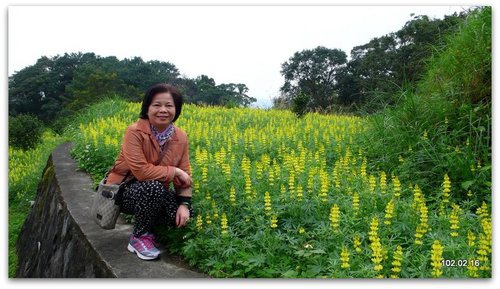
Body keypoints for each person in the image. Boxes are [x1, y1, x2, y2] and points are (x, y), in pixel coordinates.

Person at [106, 83, 193, 261]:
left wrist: (184, 205)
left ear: (176, 110)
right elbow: (141, 172)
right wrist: (174, 171)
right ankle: (139, 236)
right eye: (157, 105)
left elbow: (185, 175)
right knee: (151, 187)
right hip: (126, 193)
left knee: (179, 216)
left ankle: (152, 228)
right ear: (147, 108)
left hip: (157, 192)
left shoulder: (181, 137)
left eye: (169, 106)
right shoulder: (134, 132)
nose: (163, 110)